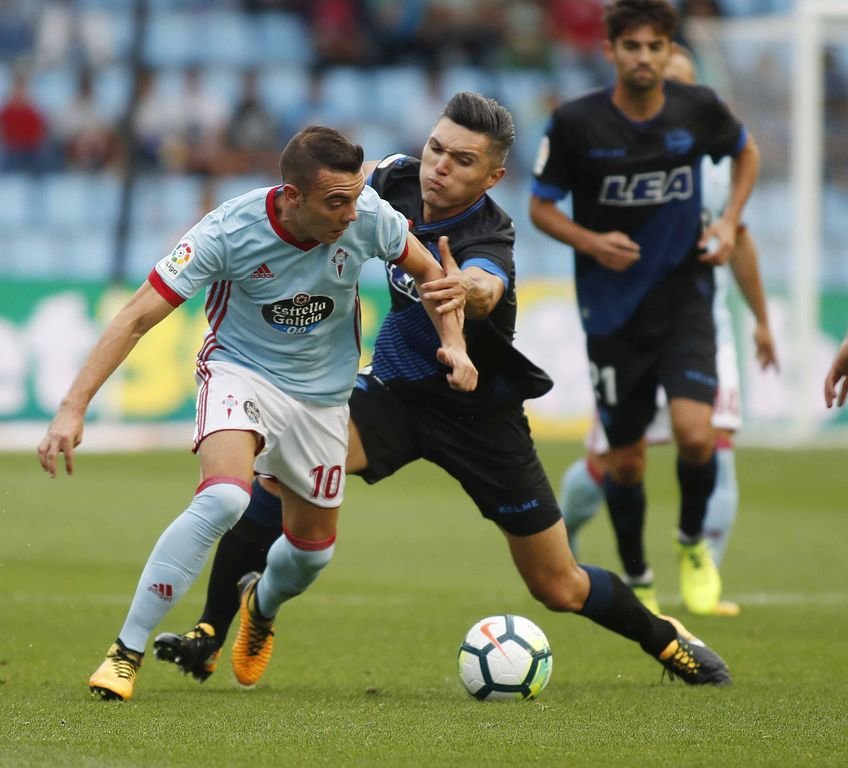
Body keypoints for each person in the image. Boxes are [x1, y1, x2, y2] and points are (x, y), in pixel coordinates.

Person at [153, 92, 731, 690]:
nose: (440, 167)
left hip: (481, 416)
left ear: (493, 176)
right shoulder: (392, 180)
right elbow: (323, 185)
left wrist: (465, 289)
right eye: (436, 149)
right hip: (394, 394)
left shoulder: (489, 234)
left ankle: (668, 642)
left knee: (558, 585)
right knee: (277, 476)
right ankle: (212, 631)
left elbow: (485, 285)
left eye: (462, 160)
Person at [37, 124, 477, 702]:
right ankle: (125, 652)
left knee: (312, 555)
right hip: (241, 372)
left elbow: (432, 275)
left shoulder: (368, 215)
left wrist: (456, 344)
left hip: (323, 399)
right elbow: (134, 317)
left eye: (354, 197)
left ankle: (260, 604)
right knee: (225, 498)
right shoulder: (228, 231)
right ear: (293, 196)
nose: (349, 214)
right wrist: (72, 409)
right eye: (335, 202)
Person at [529, 0, 760, 617]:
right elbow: (541, 207)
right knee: (625, 461)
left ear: (668, 50)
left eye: (655, 46)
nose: (643, 57)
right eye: (631, 46)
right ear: (610, 51)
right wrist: (591, 242)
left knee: (696, 434)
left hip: (686, 299)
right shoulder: (576, 123)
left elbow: (747, 153)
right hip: (612, 313)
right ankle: (637, 573)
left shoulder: (698, 108)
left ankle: (692, 545)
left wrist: (730, 222)